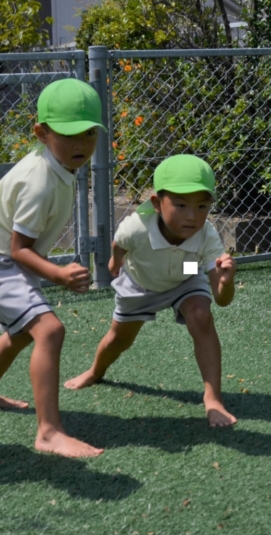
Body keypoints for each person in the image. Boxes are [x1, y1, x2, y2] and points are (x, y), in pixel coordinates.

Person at [0, 78, 105, 458]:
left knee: (22, 333)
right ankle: (49, 433)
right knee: (50, 330)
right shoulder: (40, 180)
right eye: (69, 134)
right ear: (42, 133)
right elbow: (19, 249)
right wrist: (58, 274)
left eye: (90, 133)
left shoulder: (56, 166)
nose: (81, 143)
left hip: (0, 258)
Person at [66, 154, 238, 427]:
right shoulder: (137, 227)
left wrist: (225, 283)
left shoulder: (206, 234)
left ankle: (213, 398)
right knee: (118, 340)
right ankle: (95, 371)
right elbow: (119, 244)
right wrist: (115, 263)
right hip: (140, 281)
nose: (192, 216)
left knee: (201, 317)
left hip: (185, 274)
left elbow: (222, 299)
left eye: (202, 206)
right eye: (181, 205)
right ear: (157, 203)